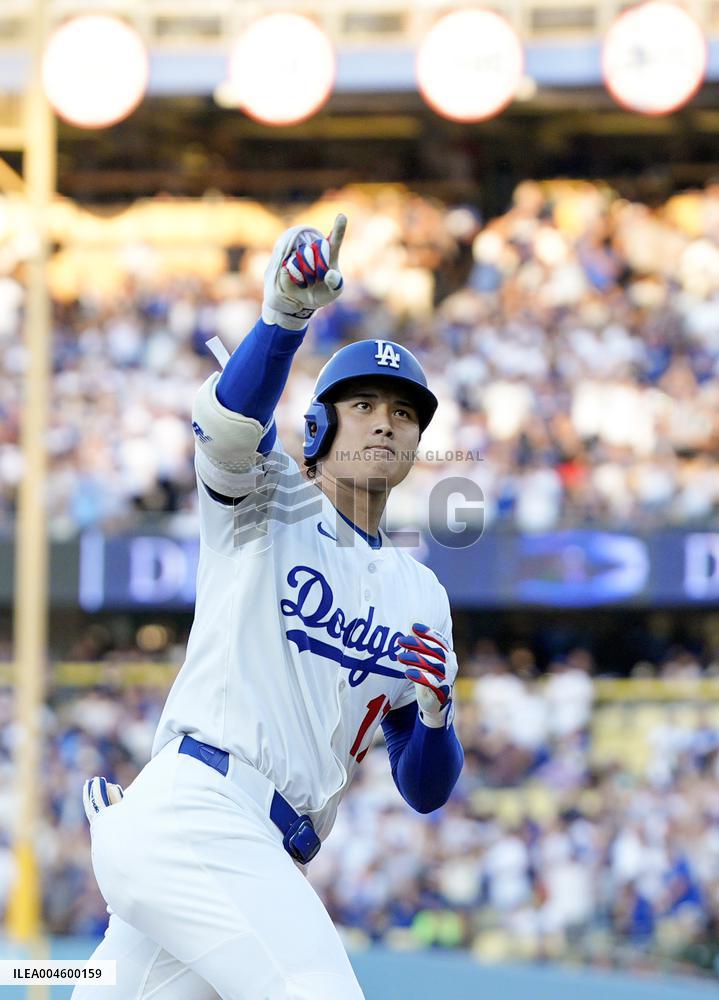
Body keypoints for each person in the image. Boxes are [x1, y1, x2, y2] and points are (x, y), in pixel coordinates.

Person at [74, 215, 464, 1000]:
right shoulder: (270, 497)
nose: (386, 418)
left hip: (244, 854)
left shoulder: (420, 593)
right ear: (317, 426)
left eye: (403, 409)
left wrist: (434, 716)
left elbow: (423, 790)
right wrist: (284, 317)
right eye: (363, 404)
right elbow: (226, 427)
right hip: (202, 810)